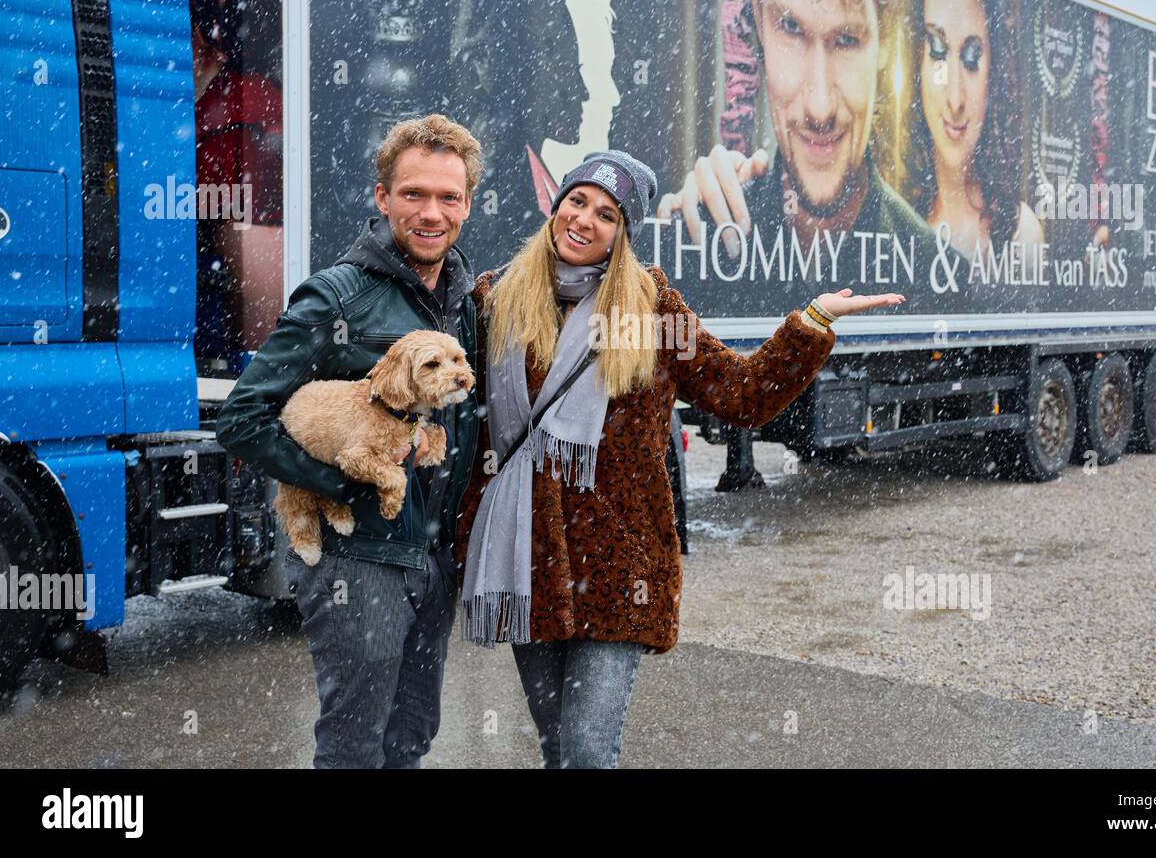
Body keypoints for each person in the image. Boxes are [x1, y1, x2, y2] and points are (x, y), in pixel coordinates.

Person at [455, 150, 904, 768]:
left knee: (588, 749)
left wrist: (812, 322)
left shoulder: (652, 312)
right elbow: (456, 416)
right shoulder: (496, 301)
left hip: (620, 569)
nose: (584, 219)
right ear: (556, 205)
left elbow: (742, 393)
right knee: (557, 746)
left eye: (607, 214)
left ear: (625, 233)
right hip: (528, 557)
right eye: (577, 201)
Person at [216, 114, 483, 768]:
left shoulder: (467, 302)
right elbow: (244, 417)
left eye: (448, 197)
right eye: (414, 193)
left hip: (434, 557)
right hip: (354, 558)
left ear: (468, 205)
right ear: (382, 197)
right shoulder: (337, 297)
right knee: (355, 741)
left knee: (412, 732)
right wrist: (342, 480)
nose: (431, 212)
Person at [656, 0, 933, 263]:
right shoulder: (699, 240)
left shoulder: (937, 271)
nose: (820, 106)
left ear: (884, 40)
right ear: (757, 19)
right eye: (791, 28)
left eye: (847, 39)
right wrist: (672, 245)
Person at [904, 0, 1041, 262]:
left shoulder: (1022, 235)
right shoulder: (899, 223)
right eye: (937, 51)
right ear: (918, 62)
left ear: (995, 70)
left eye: (971, 58)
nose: (955, 99)